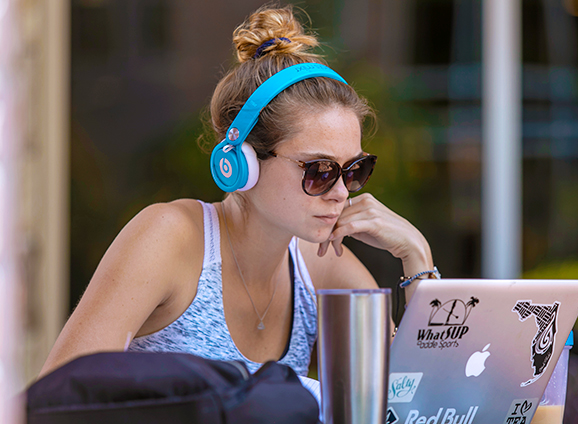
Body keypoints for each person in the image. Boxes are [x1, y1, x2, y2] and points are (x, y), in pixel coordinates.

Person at [39, 5, 436, 379]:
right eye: (319, 170)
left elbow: (417, 399)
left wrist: (415, 254)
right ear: (240, 164)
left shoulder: (322, 267)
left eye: (355, 170)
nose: (340, 193)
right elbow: (55, 401)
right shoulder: (169, 238)